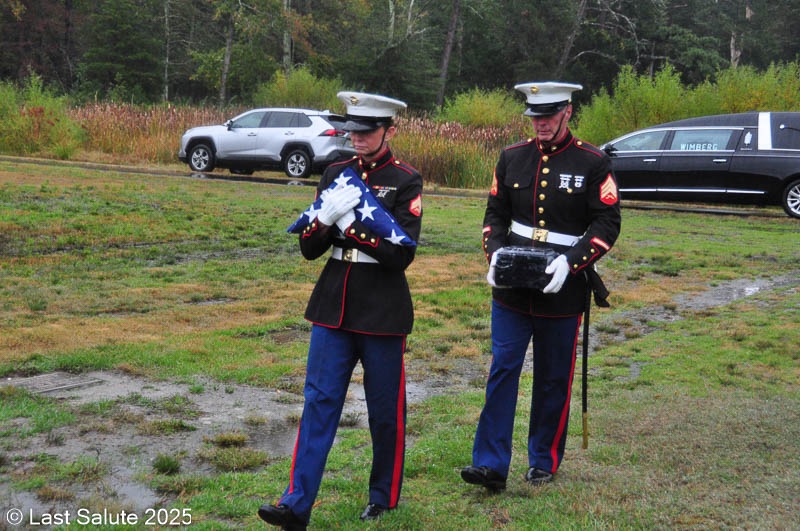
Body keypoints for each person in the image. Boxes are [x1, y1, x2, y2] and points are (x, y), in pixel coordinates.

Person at [258, 91, 423, 530]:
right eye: (353, 131)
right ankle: (296, 504)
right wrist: (327, 220)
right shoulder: (335, 172)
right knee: (319, 402)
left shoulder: (405, 180)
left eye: (368, 131)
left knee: (384, 411)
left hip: (382, 308)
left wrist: (354, 225)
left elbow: (401, 255)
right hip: (334, 304)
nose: (358, 138)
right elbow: (309, 248)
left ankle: (383, 496)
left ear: (389, 130)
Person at [461, 81, 621, 492]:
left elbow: (607, 222)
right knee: (503, 369)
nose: (541, 124)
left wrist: (572, 262)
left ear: (568, 111)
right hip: (512, 286)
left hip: (562, 287)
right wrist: (494, 254)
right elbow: (495, 213)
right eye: (535, 117)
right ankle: (490, 464)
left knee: (553, 377)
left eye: (548, 116)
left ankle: (543, 459)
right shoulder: (512, 157)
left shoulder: (592, 162)